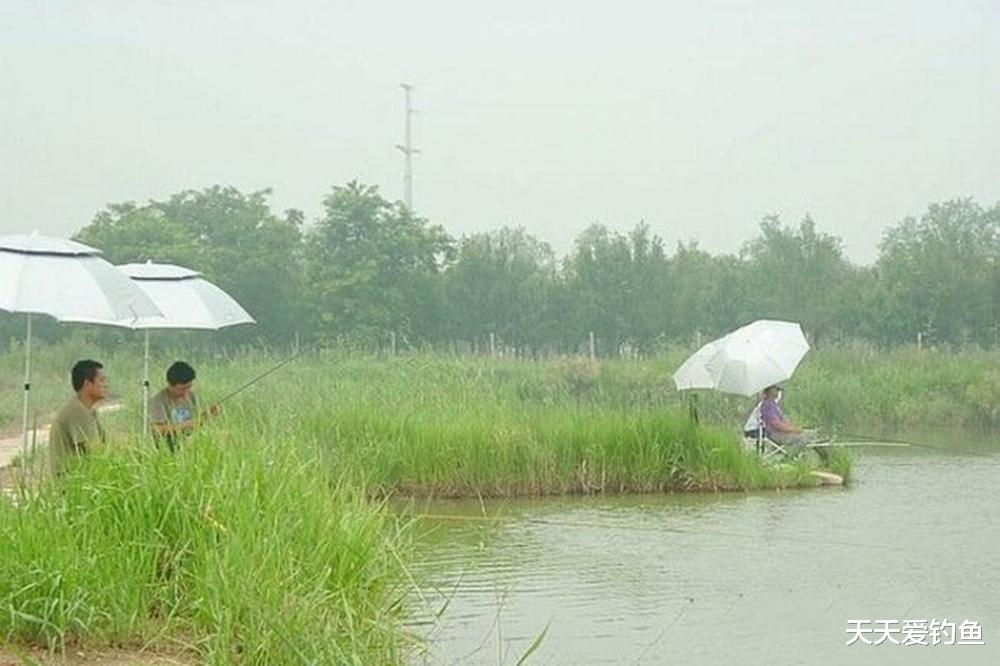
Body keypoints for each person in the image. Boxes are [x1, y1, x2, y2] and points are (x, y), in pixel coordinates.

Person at [49, 359, 107, 475]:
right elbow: (97, 453)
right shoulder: (77, 411)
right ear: (87, 384)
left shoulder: (89, 410)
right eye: (101, 380)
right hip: (72, 484)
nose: (106, 385)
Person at [148, 361, 219, 451]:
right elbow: (157, 429)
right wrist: (182, 426)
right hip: (170, 445)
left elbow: (196, 422)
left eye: (189, 387)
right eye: (182, 389)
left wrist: (208, 414)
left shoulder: (191, 396)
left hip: (190, 440)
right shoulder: (158, 401)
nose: (186, 392)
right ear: (170, 385)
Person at [759, 385, 827, 460]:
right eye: (777, 390)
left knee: (813, 435)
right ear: (770, 391)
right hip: (775, 434)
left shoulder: (773, 405)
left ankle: (824, 459)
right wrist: (794, 430)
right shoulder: (768, 406)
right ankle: (791, 458)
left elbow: (784, 422)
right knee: (803, 438)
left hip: (779, 432)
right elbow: (776, 424)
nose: (778, 392)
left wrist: (795, 428)